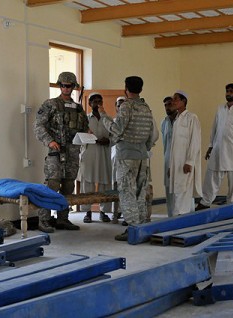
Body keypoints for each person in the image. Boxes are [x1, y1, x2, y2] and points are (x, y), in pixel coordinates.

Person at [98, 76, 155, 241]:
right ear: (141, 89)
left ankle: (133, 229)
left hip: (127, 156)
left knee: (127, 192)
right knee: (140, 191)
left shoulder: (126, 106)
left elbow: (116, 130)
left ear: (126, 89)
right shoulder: (146, 108)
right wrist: (144, 149)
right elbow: (151, 134)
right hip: (142, 156)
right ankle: (142, 226)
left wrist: (104, 116)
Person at [33, 71, 89, 231]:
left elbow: (84, 127)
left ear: (74, 87)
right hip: (56, 153)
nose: (66, 88)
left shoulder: (78, 108)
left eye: (69, 86)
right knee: (52, 184)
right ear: (59, 86)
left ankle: (63, 219)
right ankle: (43, 220)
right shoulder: (50, 104)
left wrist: (87, 135)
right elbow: (38, 125)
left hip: (72, 153)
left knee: (68, 186)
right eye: (63, 86)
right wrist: (49, 141)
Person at [78, 93, 112, 223]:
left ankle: (104, 212)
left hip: (104, 153)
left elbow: (115, 136)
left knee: (105, 183)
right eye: (94, 101)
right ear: (89, 104)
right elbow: (79, 137)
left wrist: (108, 141)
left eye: (100, 101)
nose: (97, 104)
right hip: (89, 154)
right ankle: (88, 212)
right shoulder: (85, 120)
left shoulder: (108, 119)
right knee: (88, 183)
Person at [168, 90, 202, 216]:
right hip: (176, 163)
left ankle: (180, 216)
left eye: (176, 99)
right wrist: (170, 166)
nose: (173, 101)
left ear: (184, 101)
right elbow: (174, 146)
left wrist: (189, 161)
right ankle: (180, 215)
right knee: (178, 190)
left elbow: (195, 141)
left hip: (185, 162)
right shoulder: (176, 119)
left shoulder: (192, 118)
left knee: (183, 189)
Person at [161, 96, 177, 216]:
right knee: (169, 189)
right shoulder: (164, 122)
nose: (167, 107)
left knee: (181, 189)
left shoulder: (184, 120)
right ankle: (171, 216)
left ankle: (184, 216)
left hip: (180, 160)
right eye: (166, 105)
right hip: (167, 159)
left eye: (170, 104)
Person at [111, 96, 126, 225]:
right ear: (115, 107)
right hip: (114, 159)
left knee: (127, 186)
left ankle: (126, 213)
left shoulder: (129, 120)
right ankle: (115, 213)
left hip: (127, 158)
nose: (120, 107)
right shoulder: (113, 122)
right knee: (115, 186)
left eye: (123, 104)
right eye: (118, 104)